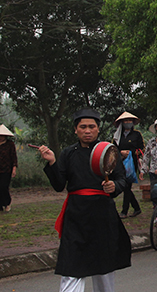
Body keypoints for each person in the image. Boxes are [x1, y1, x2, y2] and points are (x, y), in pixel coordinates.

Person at [37, 108, 131, 292]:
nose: (87, 130)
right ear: (75, 130)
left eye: (91, 127)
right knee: (72, 265)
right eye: (83, 127)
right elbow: (58, 185)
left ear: (98, 129)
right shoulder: (67, 153)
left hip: (103, 214)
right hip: (76, 216)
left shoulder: (110, 152)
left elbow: (122, 180)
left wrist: (115, 186)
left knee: (104, 268)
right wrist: (52, 162)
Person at [113, 112, 144, 218]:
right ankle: (136, 208)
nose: (127, 123)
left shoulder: (137, 134)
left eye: (129, 121)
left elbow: (141, 149)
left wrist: (130, 152)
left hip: (132, 163)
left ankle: (124, 211)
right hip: (120, 163)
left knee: (127, 186)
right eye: (125, 121)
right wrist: (120, 153)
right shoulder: (117, 136)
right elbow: (113, 148)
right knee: (125, 186)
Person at [0, 124, 17, 212]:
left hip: (7, 169)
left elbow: (13, 157)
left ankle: (7, 203)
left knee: (3, 186)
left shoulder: (10, 144)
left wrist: (14, 168)